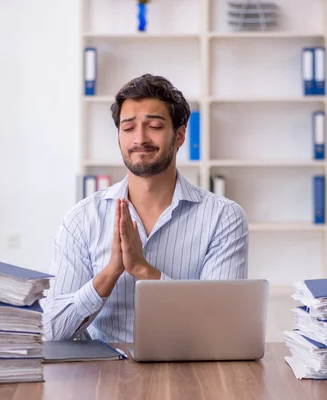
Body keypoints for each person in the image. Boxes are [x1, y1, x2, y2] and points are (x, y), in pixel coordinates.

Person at [43, 74, 249, 343]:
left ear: (180, 135)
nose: (140, 139)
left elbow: (224, 324)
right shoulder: (82, 219)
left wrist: (144, 271)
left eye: (153, 126)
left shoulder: (223, 217)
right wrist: (109, 273)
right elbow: (51, 333)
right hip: (103, 376)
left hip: (190, 371)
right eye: (128, 128)